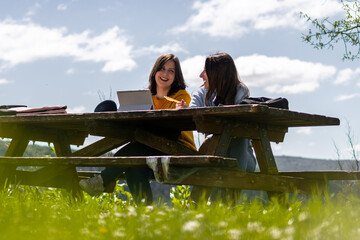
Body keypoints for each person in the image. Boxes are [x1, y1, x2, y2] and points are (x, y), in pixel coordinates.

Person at [80, 53, 196, 204]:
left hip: (179, 148)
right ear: (155, 71)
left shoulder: (181, 95)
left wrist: (182, 109)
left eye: (171, 71)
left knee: (136, 149)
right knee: (134, 167)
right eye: (162, 69)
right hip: (151, 146)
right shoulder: (146, 95)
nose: (165, 74)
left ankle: (104, 179)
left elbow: (173, 125)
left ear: (176, 76)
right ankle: (145, 213)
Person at [177, 52, 256, 201]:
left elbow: (238, 123)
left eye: (205, 71)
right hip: (215, 154)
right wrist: (184, 110)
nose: (201, 75)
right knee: (216, 149)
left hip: (241, 158)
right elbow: (192, 114)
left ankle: (218, 206)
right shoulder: (201, 94)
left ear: (217, 74)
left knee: (238, 137)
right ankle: (216, 207)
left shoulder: (240, 91)